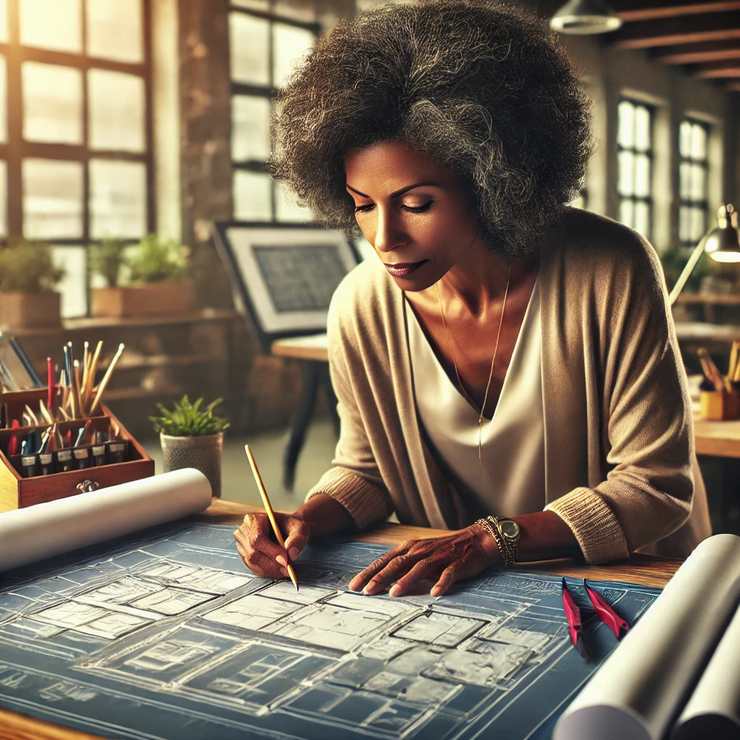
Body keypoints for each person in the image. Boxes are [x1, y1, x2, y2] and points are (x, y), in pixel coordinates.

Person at [233, 0, 711, 597]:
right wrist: (306, 519)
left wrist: (490, 539)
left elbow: (654, 487)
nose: (385, 238)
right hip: (461, 593)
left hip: (633, 586)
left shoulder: (610, 269)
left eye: (417, 204)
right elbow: (366, 469)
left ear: (493, 179)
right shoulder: (361, 308)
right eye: (362, 204)